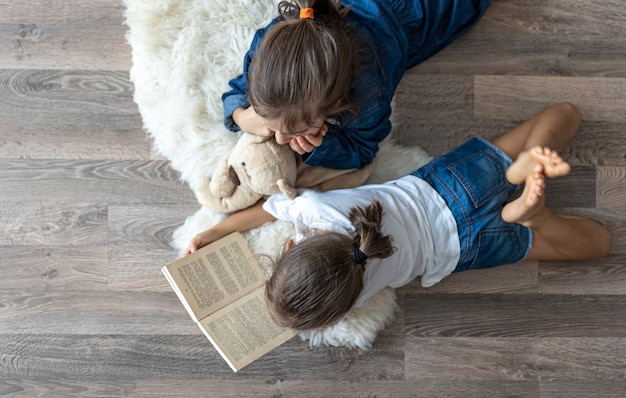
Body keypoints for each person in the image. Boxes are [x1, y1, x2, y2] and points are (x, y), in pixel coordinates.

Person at [185, 102, 612, 331]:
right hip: (447, 187)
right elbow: (265, 209)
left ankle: (531, 217)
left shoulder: (357, 294)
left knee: (595, 244)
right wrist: (218, 229)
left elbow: (601, 245)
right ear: (290, 246)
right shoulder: (314, 208)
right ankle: (519, 168)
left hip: (462, 247)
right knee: (563, 115)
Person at [222, 0, 491, 169]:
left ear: (336, 104)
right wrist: (243, 116)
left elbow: (363, 150)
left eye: (297, 130)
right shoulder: (268, 45)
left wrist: (322, 146)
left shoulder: (369, 95)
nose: (278, 138)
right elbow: (237, 90)